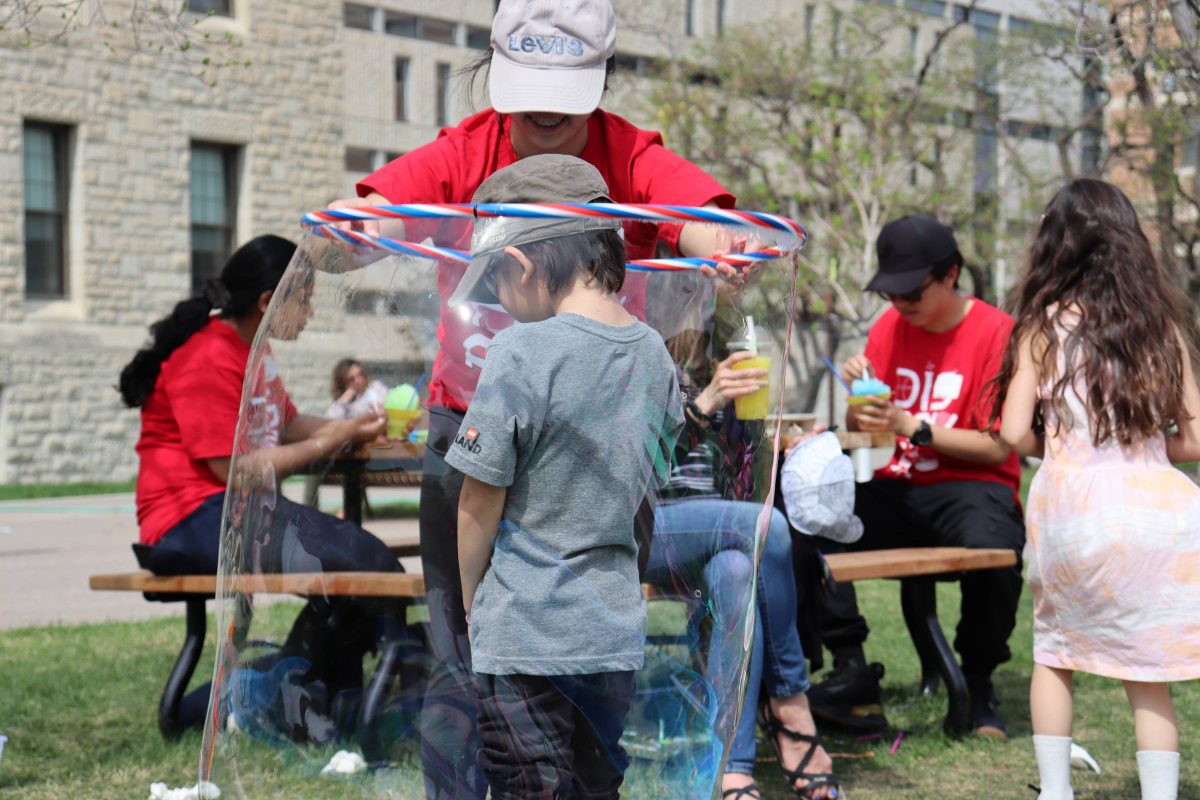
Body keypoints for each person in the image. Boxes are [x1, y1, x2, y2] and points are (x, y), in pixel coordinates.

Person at [329, 1, 735, 794]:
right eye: (529, 90)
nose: (545, 112)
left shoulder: (630, 155)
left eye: (568, 91)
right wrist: (353, 230)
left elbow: (703, 225)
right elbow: (370, 222)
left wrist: (719, 248)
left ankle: (582, 774)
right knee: (463, 647)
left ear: (604, 79)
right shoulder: (466, 147)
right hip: (472, 424)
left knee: (590, 627)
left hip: (597, 442)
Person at [446, 155, 682, 798]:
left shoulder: (522, 350)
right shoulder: (654, 352)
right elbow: (652, 476)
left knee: (529, 787)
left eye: (494, 280)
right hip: (609, 633)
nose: (497, 299)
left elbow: (477, 496)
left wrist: (472, 598)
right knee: (596, 782)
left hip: (525, 630)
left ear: (519, 264)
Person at [117, 235, 401, 737]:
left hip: (233, 512)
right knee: (369, 563)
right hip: (190, 522)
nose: (310, 312)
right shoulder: (206, 356)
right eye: (305, 298)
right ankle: (244, 702)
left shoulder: (254, 350)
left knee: (366, 569)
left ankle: (303, 707)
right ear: (269, 302)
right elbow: (237, 470)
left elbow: (287, 425)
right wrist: (326, 442)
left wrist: (355, 427)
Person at [991, 179, 1200, 800]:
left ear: (1055, 244)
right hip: (1158, 512)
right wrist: (1150, 450)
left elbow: (1008, 431)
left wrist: (1054, 447)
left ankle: (1056, 792)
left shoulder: (1042, 328)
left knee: (1055, 654)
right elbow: (1195, 437)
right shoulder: (1161, 327)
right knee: (1150, 675)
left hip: (1071, 510)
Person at [809, 215, 1025, 738]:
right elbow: (870, 431)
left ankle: (977, 683)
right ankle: (851, 669)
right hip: (900, 486)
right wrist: (863, 403)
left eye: (912, 292)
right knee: (815, 517)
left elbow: (998, 445)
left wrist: (913, 425)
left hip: (974, 484)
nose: (900, 304)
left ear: (951, 275)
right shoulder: (889, 328)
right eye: (891, 293)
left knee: (997, 549)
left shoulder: (997, 332)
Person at [649, 319, 840, 800]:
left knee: (736, 573)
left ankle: (731, 762)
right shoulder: (631, 353)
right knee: (768, 525)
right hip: (645, 526)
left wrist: (786, 442)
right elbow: (638, 469)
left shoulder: (718, 364)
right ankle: (791, 704)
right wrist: (704, 403)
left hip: (712, 529)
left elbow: (741, 468)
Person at [302, 359, 388, 508]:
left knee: (355, 470)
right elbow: (328, 423)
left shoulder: (375, 390)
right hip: (345, 451)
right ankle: (310, 511)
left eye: (361, 374)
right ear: (343, 383)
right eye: (352, 379)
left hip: (370, 451)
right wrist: (344, 400)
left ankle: (347, 515)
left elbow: (381, 410)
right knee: (315, 462)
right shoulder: (344, 402)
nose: (359, 380)